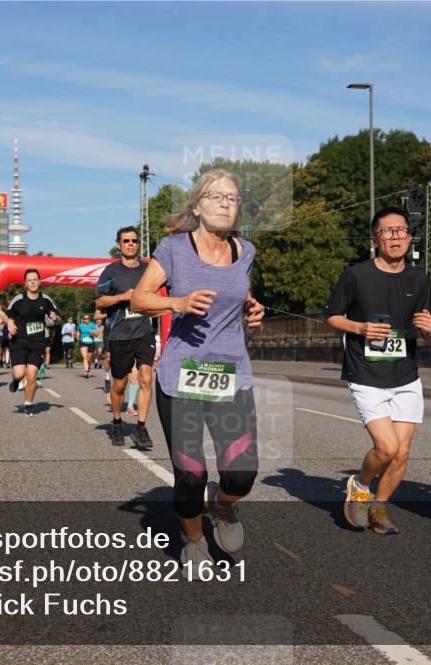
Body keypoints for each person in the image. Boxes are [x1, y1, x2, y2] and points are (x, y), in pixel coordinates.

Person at [131, 168, 265, 568]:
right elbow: (139, 299)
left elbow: (236, 294)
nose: (226, 202)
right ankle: (194, 541)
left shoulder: (246, 251)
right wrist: (177, 302)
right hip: (181, 375)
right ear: (197, 204)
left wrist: (251, 309)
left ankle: (221, 506)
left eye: (233, 197)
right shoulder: (173, 248)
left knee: (242, 472)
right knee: (189, 472)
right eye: (216, 196)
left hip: (231, 376)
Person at [325, 207, 431, 535]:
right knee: (386, 447)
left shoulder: (420, 279)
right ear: (375, 239)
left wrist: (429, 328)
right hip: (365, 374)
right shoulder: (356, 275)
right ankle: (360, 486)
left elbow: (429, 328)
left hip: (405, 375)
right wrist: (359, 327)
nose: (396, 237)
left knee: (402, 453)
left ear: (410, 236)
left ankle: (379, 507)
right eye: (388, 232)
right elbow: (332, 316)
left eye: (401, 230)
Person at [95, 226, 157, 449]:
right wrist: (123, 296)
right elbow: (100, 301)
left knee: (147, 377)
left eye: (134, 240)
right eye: (126, 241)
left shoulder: (149, 269)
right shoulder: (111, 271)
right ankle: (118, 422)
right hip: (120, 334)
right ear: (119, 245)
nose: (130, 244)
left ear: (138, 244)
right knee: (119, 384)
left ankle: (141, 426)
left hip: (144, 331)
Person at [1, 268, 59, 416]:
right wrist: (9, 323)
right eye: (29, 280)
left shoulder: (46, 300)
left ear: (39, 282)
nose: (32, 282)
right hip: (19, 341)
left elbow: (57, 317)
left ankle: (28, 404)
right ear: (25, 283)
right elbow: (6, 316)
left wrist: (55, 318)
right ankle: (15, 381)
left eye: (35, 280)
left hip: (37, 342)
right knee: (20, 374)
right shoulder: (18, 300)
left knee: (32, 375)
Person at [76, 314, 97, 378]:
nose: (86, 320)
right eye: (85, 319)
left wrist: (93, 332)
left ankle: (88, 367)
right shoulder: (80, 325)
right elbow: (78, 332)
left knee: (89, 358)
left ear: (89, 319)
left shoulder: (92, 325)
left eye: (87, 318)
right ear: (83, 319)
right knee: (85, 357)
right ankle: (86, 370)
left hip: (91, 342)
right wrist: (77, 338)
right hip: (83, 342)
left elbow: (97, 334)